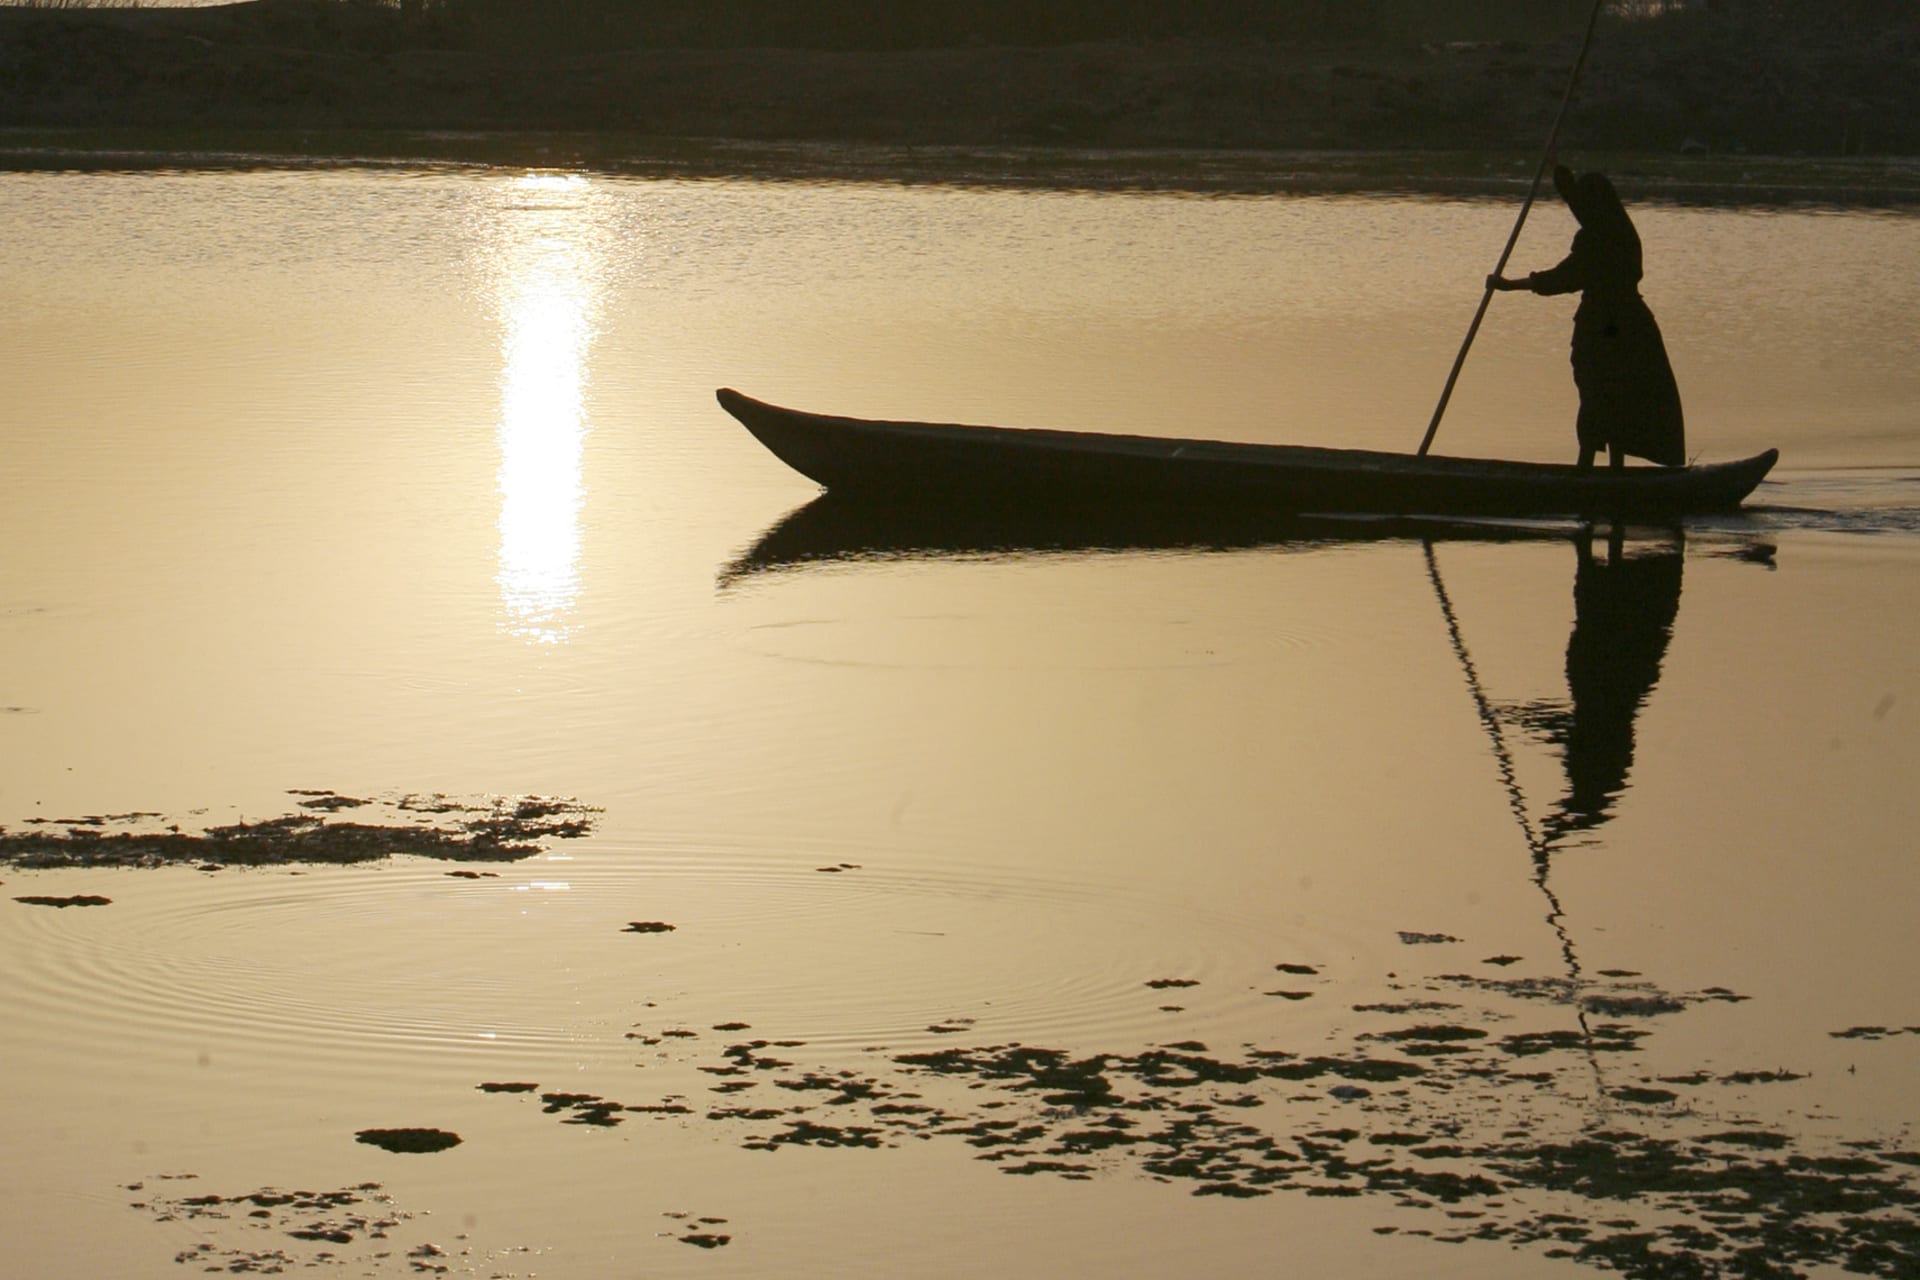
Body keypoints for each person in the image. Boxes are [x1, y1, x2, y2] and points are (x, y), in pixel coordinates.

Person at [1488, 166, 1685, 469]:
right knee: (1614, 397)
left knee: (1598, 396)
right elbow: (1583, 214)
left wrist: (1510, 285)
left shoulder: (1598, 241)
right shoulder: (1622, 233)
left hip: (1605, 331)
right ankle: (1612, 471)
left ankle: (1587, 472)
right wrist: (1564, 187)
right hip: (1631, 327)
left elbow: (1563, 278)